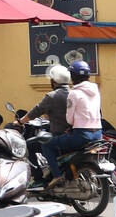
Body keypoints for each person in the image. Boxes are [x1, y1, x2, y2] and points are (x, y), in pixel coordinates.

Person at [39, 60, 102, 188]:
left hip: (82, 135)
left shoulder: (74, 93)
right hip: (98, 134)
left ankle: (56, 175)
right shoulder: (95, 91)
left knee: (47, 145)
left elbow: (70, 120)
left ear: (72, 77)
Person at [19, 64, 72, 142]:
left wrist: (20, 121)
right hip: (74, 133)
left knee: (42, 145)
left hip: (60, 135)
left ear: (53, 81)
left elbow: (36, 111)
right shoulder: (74, 93)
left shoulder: (52, 96)